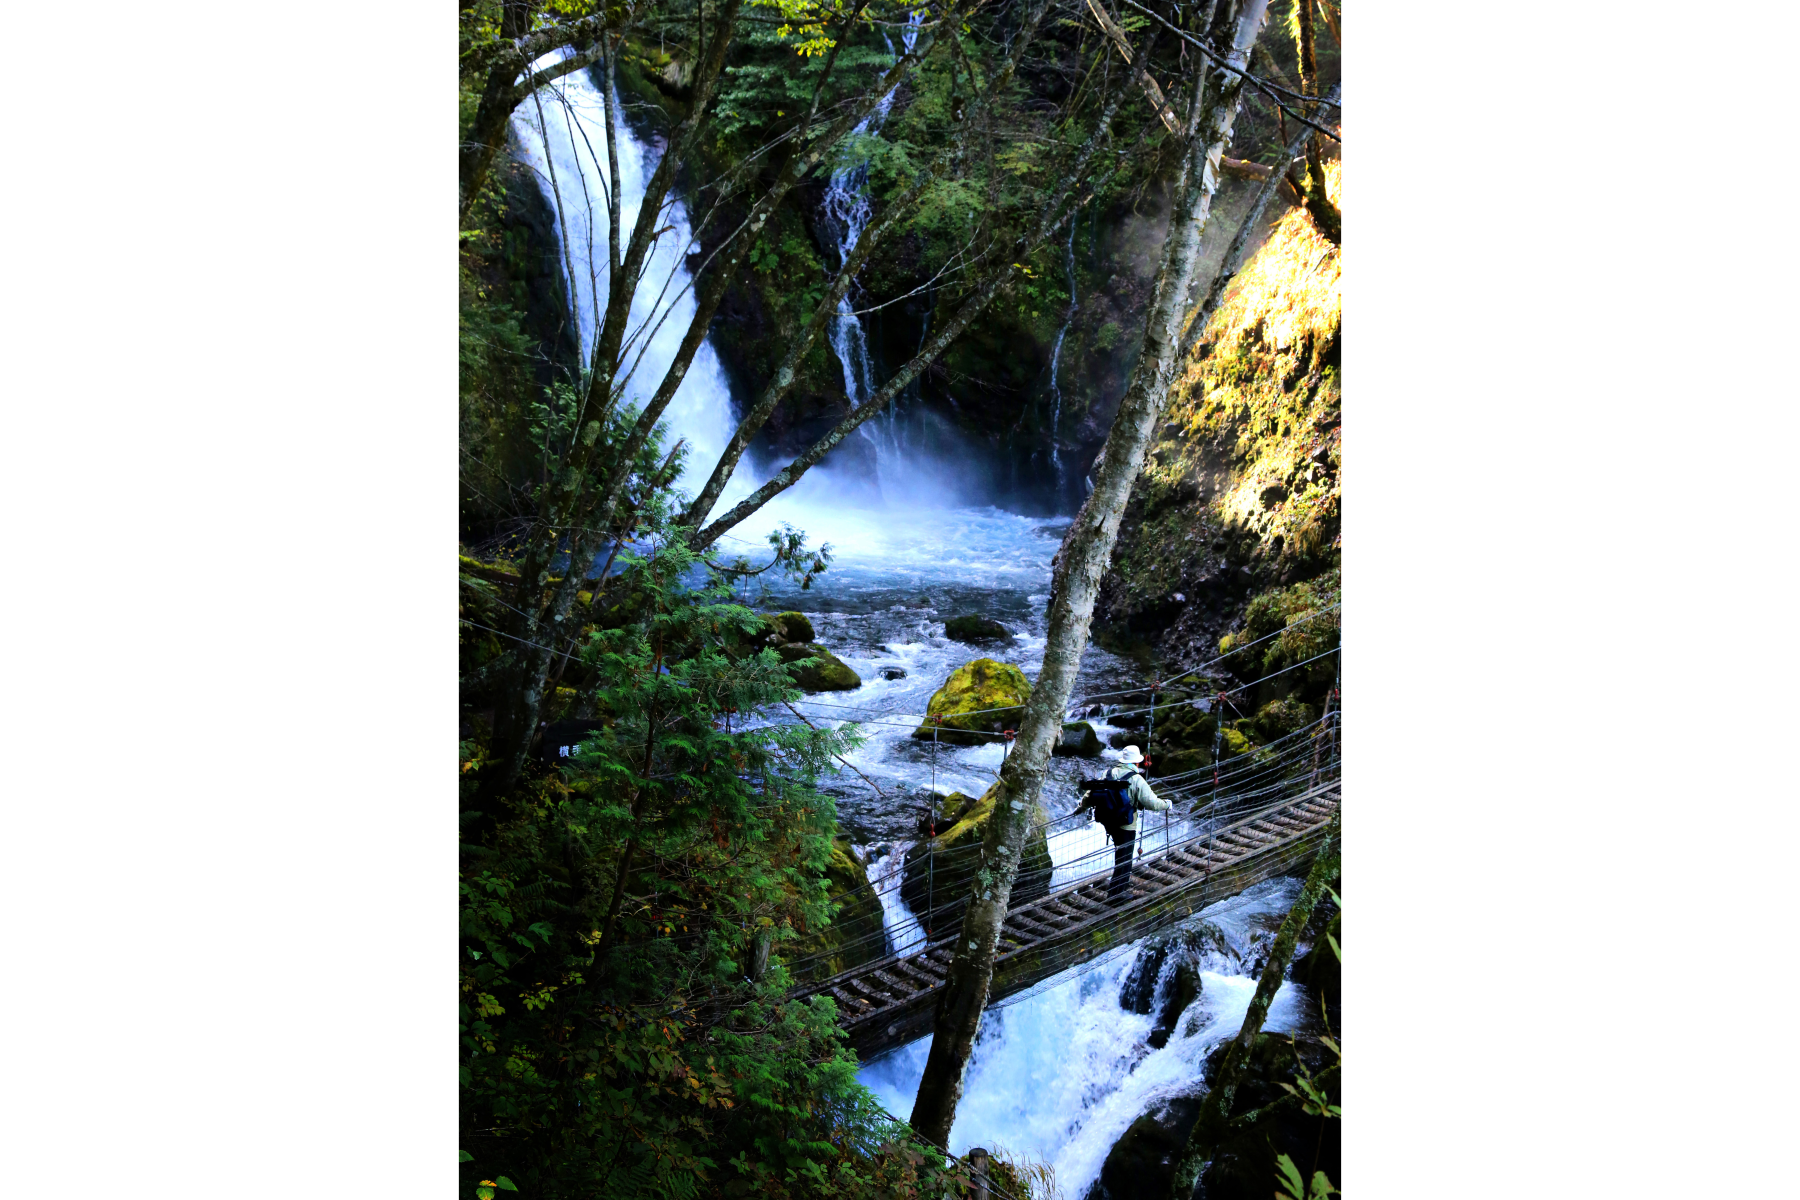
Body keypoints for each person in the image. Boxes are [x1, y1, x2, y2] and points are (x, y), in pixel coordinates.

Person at [1078, 745, 1170, 903]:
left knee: (1119, 855)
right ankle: (1117, 894)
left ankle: (1115, 891)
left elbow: (1090, 794)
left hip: (1109, 822)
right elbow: (1152, 803)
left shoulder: (1107, 773)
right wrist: (1167, 804)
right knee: (1125, 858)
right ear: (1137, 763)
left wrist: (1080, 808)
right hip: (1126, 824)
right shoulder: (1136, 779)